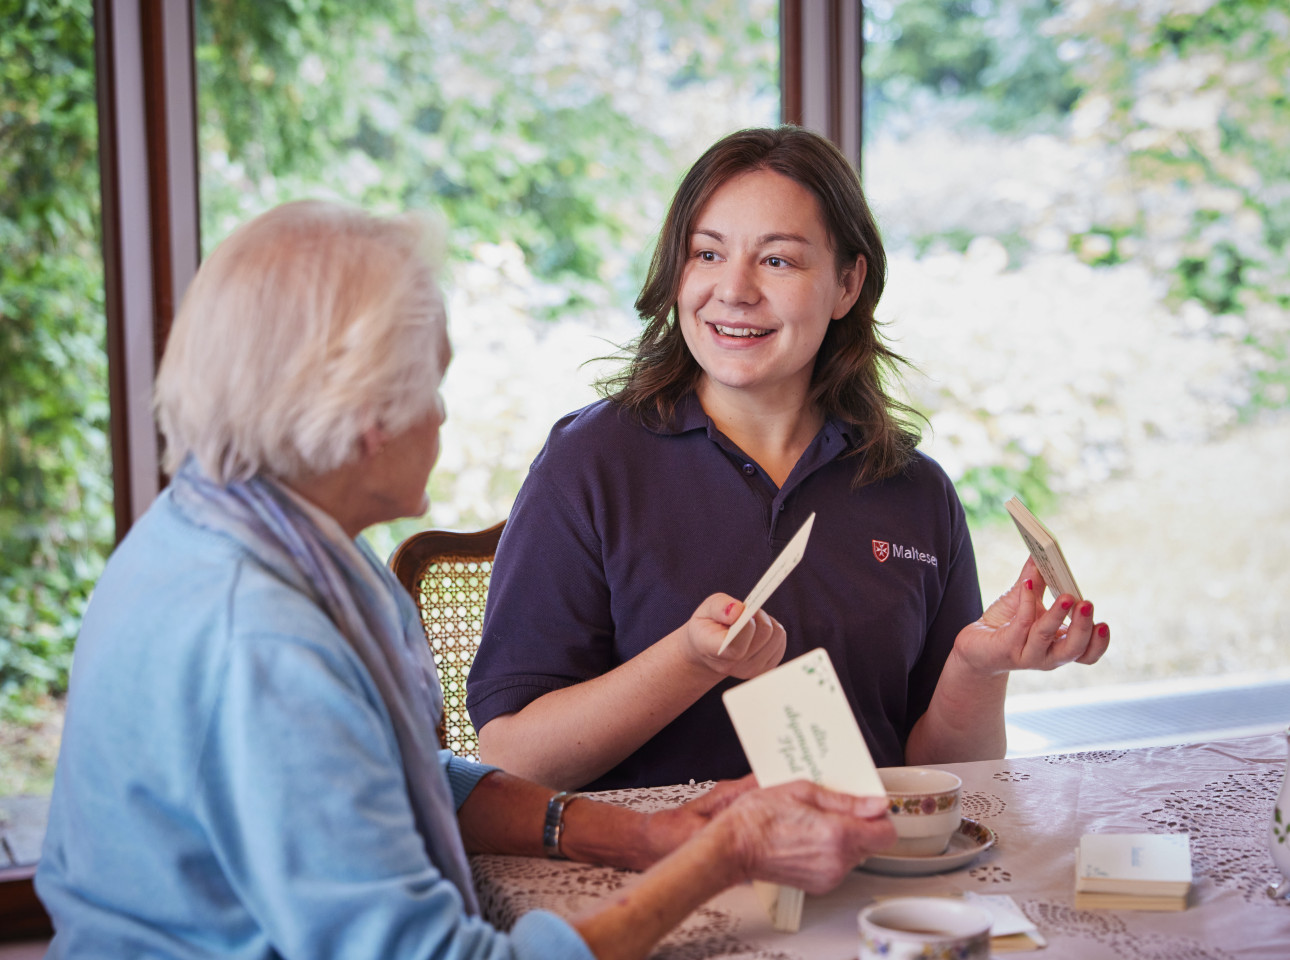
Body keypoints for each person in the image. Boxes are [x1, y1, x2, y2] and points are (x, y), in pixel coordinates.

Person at [34, 200, 898, 960]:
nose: (443, 414)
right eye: (432, 383)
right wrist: (723, 856)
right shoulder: (257, 637)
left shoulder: (256, 531)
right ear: (363, 413)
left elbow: (392, 772)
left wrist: (641, 835)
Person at [467, 126, 1111, 792]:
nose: (735, 290)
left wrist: (978, 670)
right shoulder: (591, 464)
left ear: (847, 284)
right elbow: (516, 761)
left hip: (868, 880)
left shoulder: (916, 492)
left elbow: (949, 782)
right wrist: (691, 659)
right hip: (661, 881)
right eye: (707, 253)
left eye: (777, 260)